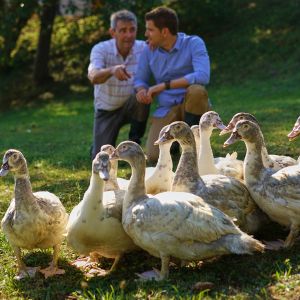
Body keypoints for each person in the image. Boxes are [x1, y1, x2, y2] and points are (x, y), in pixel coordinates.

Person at [134, 6, 211, 162]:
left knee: (197, 90)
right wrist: (141, 90)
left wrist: (164, 86)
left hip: (191, 105)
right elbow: (140, 79)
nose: (146, 34)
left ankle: (192, 145)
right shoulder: (148, 50)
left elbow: (203, 76)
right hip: (166, 109)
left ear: (164, 32)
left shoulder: (193, 43)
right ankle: (175, 144)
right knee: (154, 156)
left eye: (150, 30)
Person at [88, 10, 149, 159]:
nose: (128, 35)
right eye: (123, 30)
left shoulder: (143, 48)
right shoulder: (100, 49)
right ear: (112, 32)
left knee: (141, 95)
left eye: (132, 30)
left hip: (131, 104)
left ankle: (135, 144)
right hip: (107, 110)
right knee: (100, 156)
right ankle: (97, 145)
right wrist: (112, 70)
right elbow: (93, 77)